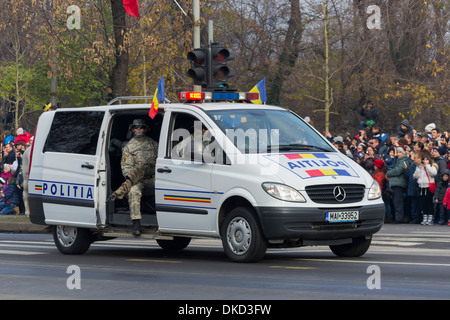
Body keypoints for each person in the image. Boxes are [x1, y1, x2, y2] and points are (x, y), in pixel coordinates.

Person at [109, 119, 158, 236]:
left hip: (154, 177)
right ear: (132, 130)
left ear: (145, 129)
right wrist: (134, 177)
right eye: (136, 127)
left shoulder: (153, 144)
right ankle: (136, 223)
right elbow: (126, 167)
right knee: (133, 191)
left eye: (141, 127)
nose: (138, 130)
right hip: (138, 180)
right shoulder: (128, 147)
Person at [385, 147, 410, 223]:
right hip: (396, 183)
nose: (398, 153)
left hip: (398, 183)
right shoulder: (398, 160)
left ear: (403, 153)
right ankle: (397, 217)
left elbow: (398, 171)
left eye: (399, 152)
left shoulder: (403, 160)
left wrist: (388, 173)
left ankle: (399, 218)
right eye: (397, 152)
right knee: (395, 201)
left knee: (397, 202)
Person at [413, 151, 438, 225]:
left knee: (429, 203)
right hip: (421, 187)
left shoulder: (432, 167)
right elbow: (415, 176)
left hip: (428, 187)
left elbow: (433, 173)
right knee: (423, 203)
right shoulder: (420, 168)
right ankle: (425, 217)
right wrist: (419, 168)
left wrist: (427, 166)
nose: (425, 161)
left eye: (427, 160)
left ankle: (430, 218)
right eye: (424, 160)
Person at [405, 151, 422, 224]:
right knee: (414, 204)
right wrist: (406, 169)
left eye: (415, 158)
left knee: (419, 204)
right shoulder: (412, 166)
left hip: (419, 187)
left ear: (419, 159)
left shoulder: (422, 166)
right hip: (412, 187)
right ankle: (415, 217)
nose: (414, 159)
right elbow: (409, 176)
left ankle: (418, 217)